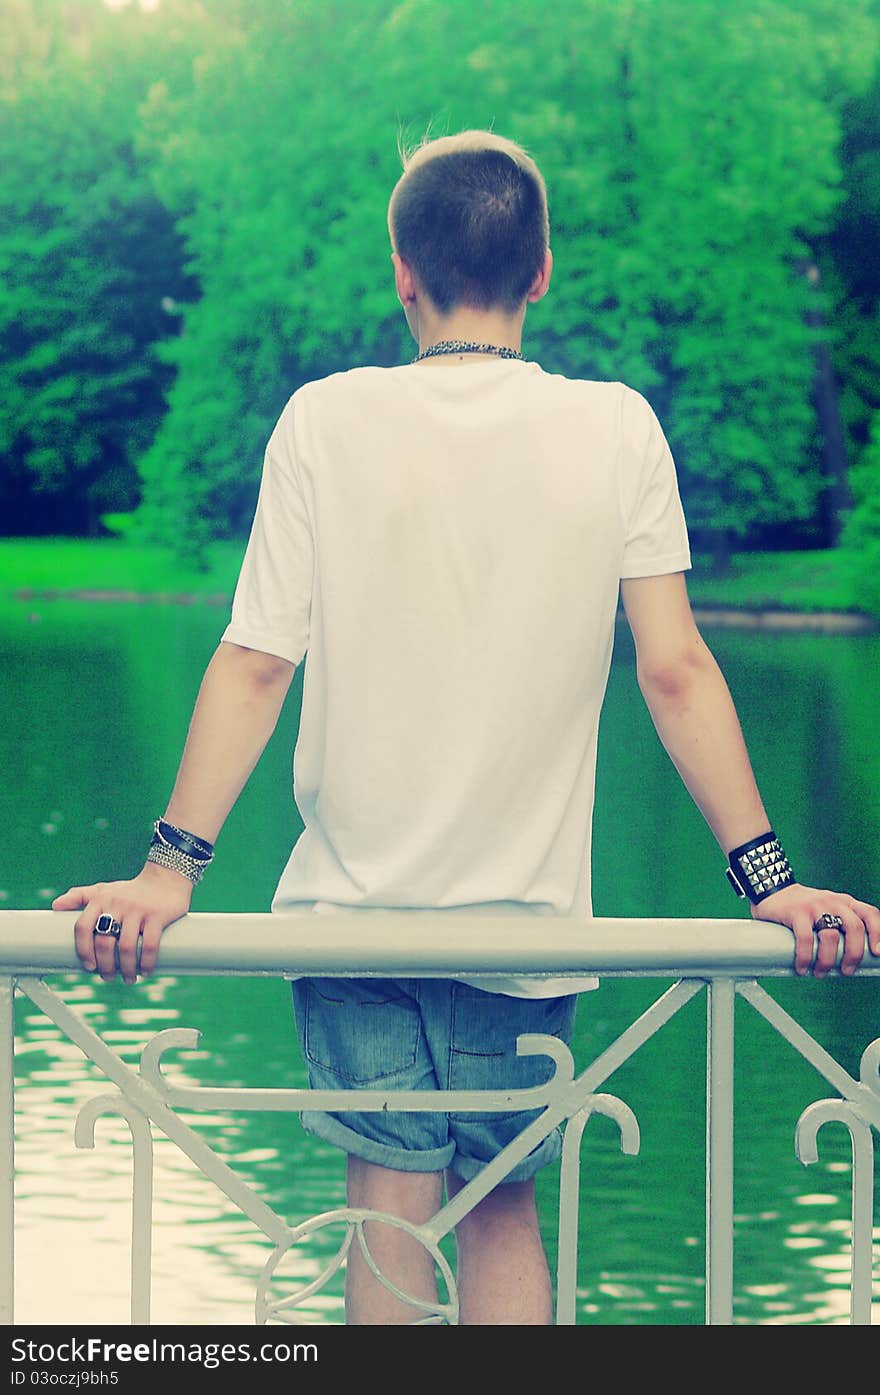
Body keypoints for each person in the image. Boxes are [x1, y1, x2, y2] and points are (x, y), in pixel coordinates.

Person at [54, 129, 880, 1326]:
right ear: (542, 269)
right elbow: (677, 672)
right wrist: (771, 883)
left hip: (353, 929)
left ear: (402, 269)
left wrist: (166, 870)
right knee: (498, 1212)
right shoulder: (616, 429)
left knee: (387, 1215)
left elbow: (253, 665)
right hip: (526, 923)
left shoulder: (323, 422)